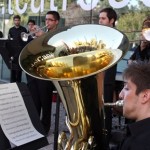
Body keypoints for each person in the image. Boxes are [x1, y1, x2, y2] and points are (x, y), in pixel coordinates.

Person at [26, 11, 60, 135]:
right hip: (35, 71)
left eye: (50, 20)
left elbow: (54, 48)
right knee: (34, 100)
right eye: (46, 20)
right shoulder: (41, 34)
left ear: (56, 22)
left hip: (47, 72)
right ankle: (35, 126)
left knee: (45, 101)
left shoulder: (57, 34)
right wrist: (33, 37)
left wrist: (42, 36)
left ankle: (45, 127)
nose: (47, 22)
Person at [118, 61, 150, 150]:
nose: (120, 95)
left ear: (145, 96)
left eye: (127, 88)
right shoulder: (136, 131)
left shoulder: (142, 144)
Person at [99, 7, 118, 147]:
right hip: (96, 79)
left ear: (111, 21)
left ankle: (104, 142)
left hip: (106, 80)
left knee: (106, 111)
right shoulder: (99, 35)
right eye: (99, 18)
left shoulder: (116, 36)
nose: (100, 21)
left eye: (103, 18)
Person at [8, 15, 27, 82]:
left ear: (20, 21)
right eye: (15, 20)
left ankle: (19, 86)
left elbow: (25, 41)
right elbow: (9, 41)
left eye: (18, 20)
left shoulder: (24, 29)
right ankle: (12, 86)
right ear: (13, 21)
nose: (17, 22)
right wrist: (10, 54)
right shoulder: (11, 30)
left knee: (19, 71)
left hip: (20, 52)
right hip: (13, 52)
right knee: (12, 70)